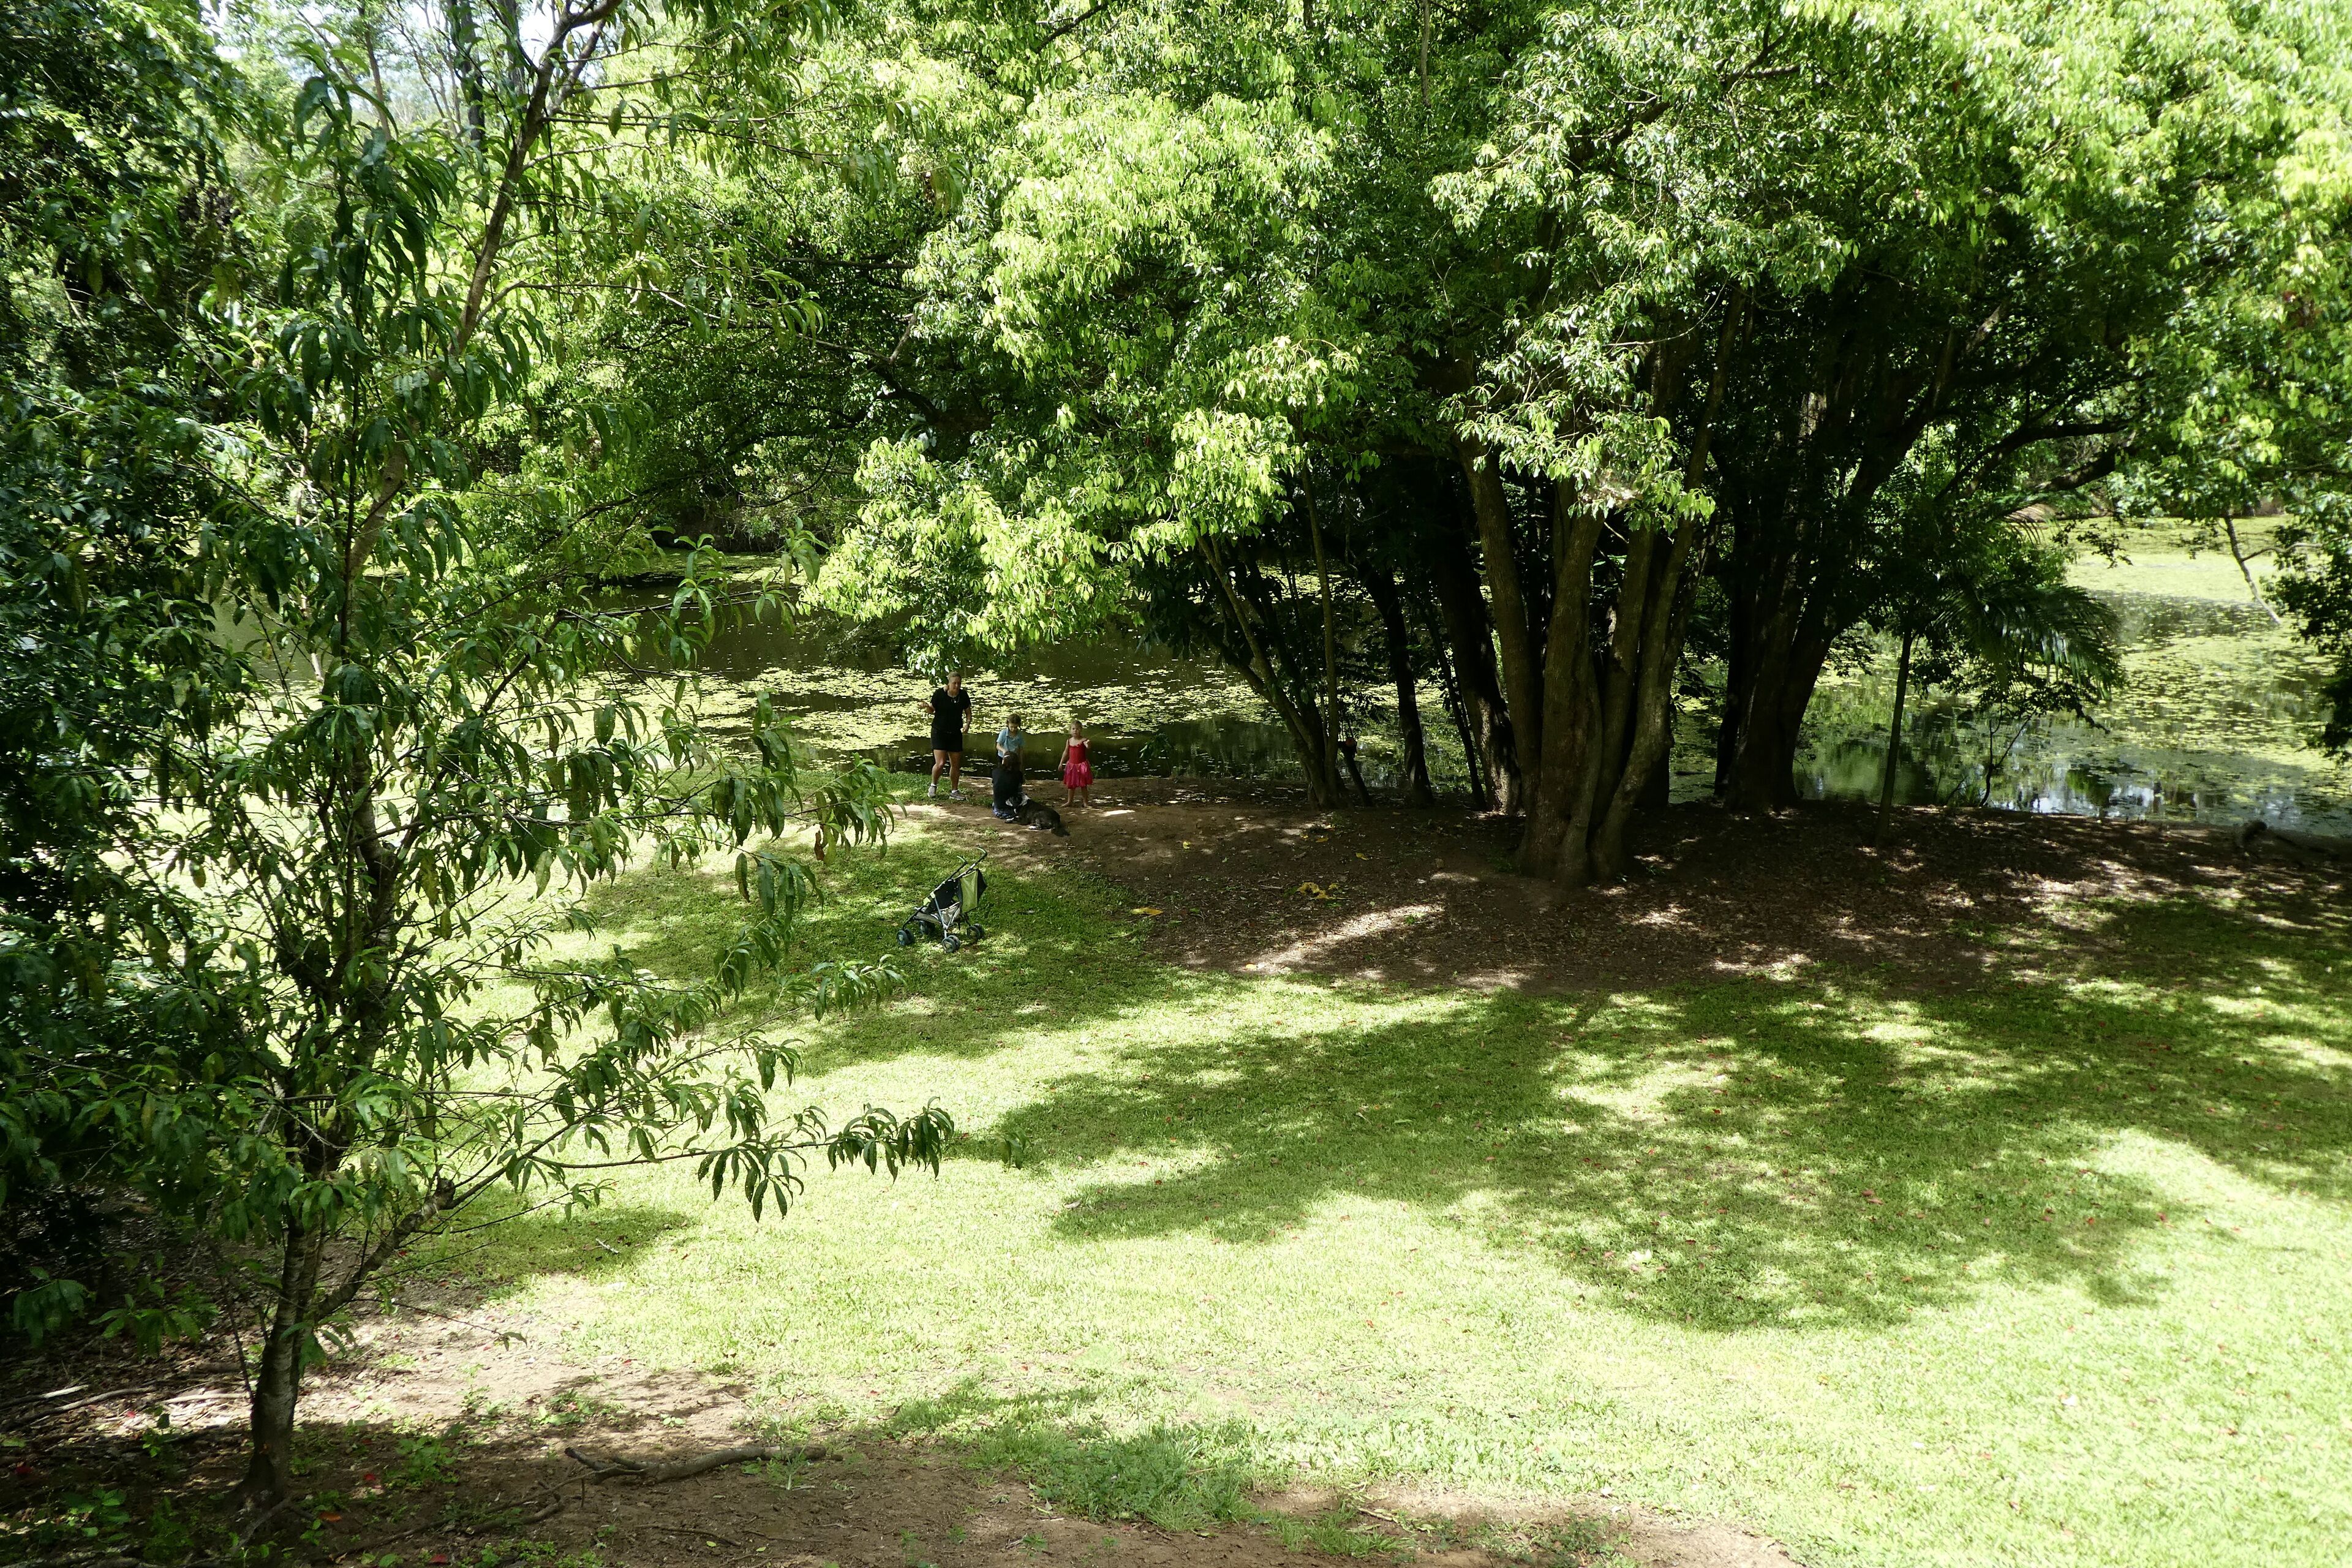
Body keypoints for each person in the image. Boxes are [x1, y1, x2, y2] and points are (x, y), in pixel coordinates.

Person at [922, 673, 972, 799]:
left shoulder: (963, 695)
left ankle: (954, 791)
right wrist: (927, 707)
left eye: (959, 683)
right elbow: (931, 710)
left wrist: (967, 724)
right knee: (940, 763)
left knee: (955, 764)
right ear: (949, 683)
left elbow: (968, 713)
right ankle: (933, 785)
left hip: (955, 733)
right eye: (954, 683)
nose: (957, 686)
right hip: (939, 732)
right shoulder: (939, 694)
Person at [992, 712, 1027, 821]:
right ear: (1008, 724)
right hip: (1004, 758)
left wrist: (1021, 762)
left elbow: (1021, 749)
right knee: (1004, 777)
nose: (1013, 729)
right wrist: (1004, 751)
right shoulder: (1004, 733)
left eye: (1016, 727)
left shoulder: (1019, 735)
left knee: (1013, 778)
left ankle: (1013, 795)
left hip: (1014, 759)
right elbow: (998, 745)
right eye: (1011, 727)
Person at [1058, 718, 1094, 808]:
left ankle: (1085, 802)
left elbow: (1088, 747)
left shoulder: (1084, 740)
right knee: (1071, 785)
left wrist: (1088, 744)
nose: (1075, 731)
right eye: (1073, 729)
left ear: (1081, 730)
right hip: (1071, 766)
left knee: (1083, 785)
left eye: (1077, 729)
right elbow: (1066, 752)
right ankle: (1069, 801)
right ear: (1070, 730)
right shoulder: (1069, 741)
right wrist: (1061, 762)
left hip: (1081, 765)